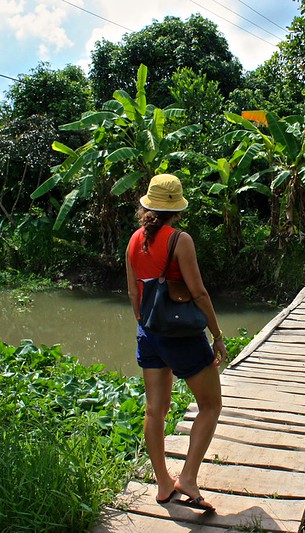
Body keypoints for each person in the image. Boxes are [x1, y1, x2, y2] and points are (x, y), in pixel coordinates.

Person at [125, 174, 227, 512]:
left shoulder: (134, 240)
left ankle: (163, 484)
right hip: (181, 335)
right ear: (177, 209)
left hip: (148, 332)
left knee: (155, 409)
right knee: (210, 405)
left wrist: (147, 325)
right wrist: (217, 335)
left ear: (147, 206)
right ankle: (188, 479)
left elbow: (133, 293)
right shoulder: (180, 240)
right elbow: (198, 293)